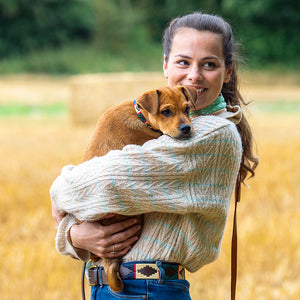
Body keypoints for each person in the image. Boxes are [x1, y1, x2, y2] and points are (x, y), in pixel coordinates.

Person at [51, 12, 258, 300]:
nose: (194, 75)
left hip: (147, 288)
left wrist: (58, 191)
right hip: (111, 286)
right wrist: (73, 235)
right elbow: (98, 198)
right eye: (183, 62)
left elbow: (107, 180)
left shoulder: (212, 133)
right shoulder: (170, 126)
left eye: (209, 64)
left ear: (229, 70)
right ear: (165, 65)